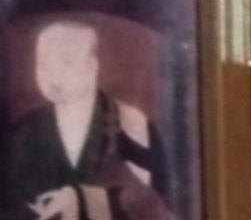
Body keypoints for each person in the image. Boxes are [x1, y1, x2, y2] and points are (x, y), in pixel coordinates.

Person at [0, 19, 176, 220]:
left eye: (66, 62)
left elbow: (154, 204)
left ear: (93, 65)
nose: (53, 75)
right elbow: (8, 200)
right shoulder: (24, 131)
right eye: (44, 64)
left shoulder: (132, 125)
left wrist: (83, 200)